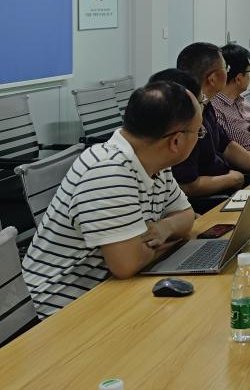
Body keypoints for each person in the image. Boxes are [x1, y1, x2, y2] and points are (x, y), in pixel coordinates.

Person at [22, 82, 199, 317]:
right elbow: (127, 264)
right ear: (175, 141)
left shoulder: (154, 163)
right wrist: (163, 241)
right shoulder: (109, 170)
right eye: (199, 133)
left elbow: (186, 217)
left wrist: (162, 229)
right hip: (59, 311)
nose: (199, 138)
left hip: (108, 292)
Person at [170, 43, 250, 206]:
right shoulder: (185, 117)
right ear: (213, 79)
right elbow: (186, 185)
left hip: (229, 182)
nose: (229, 72)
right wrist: (233, 179)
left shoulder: (206, 104)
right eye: (226, 68)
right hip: (212, 199)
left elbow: (228, 145)